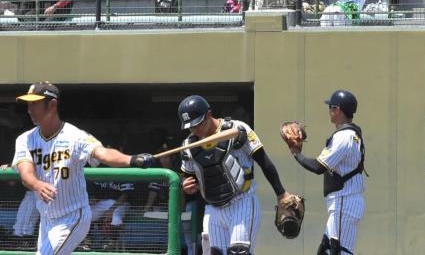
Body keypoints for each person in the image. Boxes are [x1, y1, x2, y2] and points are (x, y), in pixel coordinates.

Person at [12, 82, 155, 255]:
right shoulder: (25, 139)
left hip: (73, 216)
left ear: (52, 105)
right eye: (28, 104)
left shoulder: (75, 136)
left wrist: (132, 159)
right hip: (47, 219)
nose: (30, 109)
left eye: (35, 104)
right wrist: (36, 184)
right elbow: (26, 174)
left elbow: (102, 153)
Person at [178, 94, 296, 255]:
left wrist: (281, 193)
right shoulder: (189, 145)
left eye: (198, 124)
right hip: (213, 208)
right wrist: (187, 186)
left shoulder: (237, 130)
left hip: (242, 202)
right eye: (190, 127)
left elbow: (264, 161)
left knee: (239, 252)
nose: (195, 129)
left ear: (209, 114)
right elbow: (189, 177)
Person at [287, 90, 366, 255]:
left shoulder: (344, 136)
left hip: (345, 200)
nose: (329, 110)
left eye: (331, 106)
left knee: (338, 252)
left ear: (337, 109)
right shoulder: (348, 134)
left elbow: (318, 167)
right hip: (342, 201)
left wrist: (296, 153)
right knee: (326, 251)